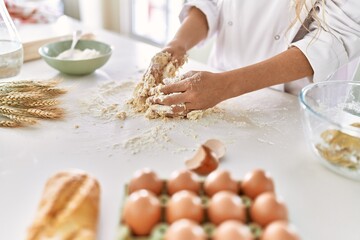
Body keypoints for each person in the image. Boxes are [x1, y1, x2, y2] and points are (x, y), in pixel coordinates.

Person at [148, 0, 360, 115]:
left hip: (292, 105)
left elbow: (333, 39)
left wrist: (226, 86)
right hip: (213, 83)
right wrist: (178, 44)